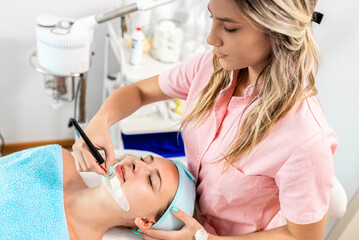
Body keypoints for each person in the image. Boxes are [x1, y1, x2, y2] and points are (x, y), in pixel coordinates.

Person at [72, 0, 337, 239]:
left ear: (278, 30)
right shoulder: (212, 67)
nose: (211, 38)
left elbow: (302, 237)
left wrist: (206, 239)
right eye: (212, 17)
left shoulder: (305, 138)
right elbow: (139, 92)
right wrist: (100, 120)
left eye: (229, 28)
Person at [0, 145, 196, 239]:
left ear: (145, 222)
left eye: (151, 180)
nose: (137, 163)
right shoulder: (56, 159)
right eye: (144, 159)